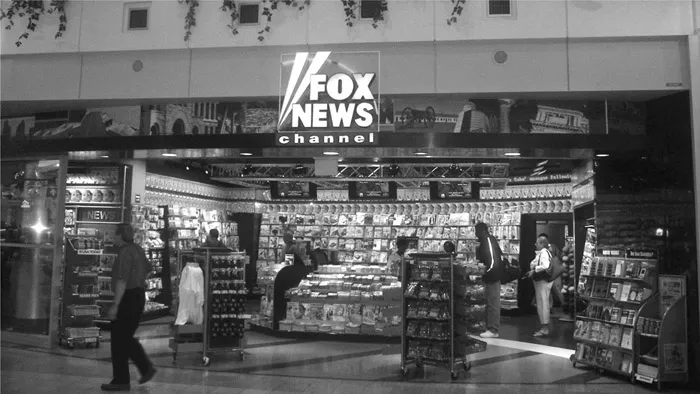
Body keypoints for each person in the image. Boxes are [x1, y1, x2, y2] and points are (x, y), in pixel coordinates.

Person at [102, 224, 156, 391]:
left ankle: (124, 378)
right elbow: (149, 270)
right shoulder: (138, 249)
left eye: (114, 234)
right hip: (138, 295)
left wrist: (115, 305)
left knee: (119, 338)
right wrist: (139, 279)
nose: (113, 237)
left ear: (120, 236)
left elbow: (121, 281)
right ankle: (142, 369)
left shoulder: (124, 253)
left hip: (128, 297)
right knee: (124, 337)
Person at [476, 223, 502, 339]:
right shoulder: (485, 241)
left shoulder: (488, 240)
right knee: (489, 302)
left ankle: (493, 329)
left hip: (492, 276)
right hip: (489, 275)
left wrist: (487, 270)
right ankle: (489, 327)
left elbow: (492, 260)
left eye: (476, 230)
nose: (475, 233)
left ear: (482, 230)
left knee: (493, 303)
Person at [526, 235, 554, 337]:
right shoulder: (545, 252)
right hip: (542, 282)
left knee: (543, 303)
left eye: (537, 242)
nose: (535, 244)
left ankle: (544, 327)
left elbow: (545, 266)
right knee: (543, 302)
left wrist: (534, 270)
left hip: (542, 282)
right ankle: (544, 326)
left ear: (542, 244)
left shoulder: (543, 253)